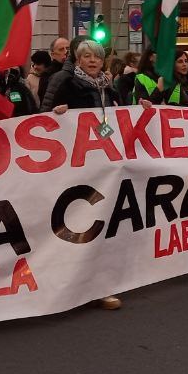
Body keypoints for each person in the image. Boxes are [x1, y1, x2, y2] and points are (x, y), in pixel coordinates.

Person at [50, 41, 123, 310]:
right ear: (78, 61)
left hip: (105, 163)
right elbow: (42, 120)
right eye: (87, 56)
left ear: (103, 62)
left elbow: (120, 118)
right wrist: (56, 115)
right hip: (77, 165)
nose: (92, 60)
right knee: (79, 222)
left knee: (102, 223)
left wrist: (142, 110)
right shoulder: (66, 83)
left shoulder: (109, 87)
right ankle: (71, 282)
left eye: (97, 57)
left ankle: (101, 284)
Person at [36, 37, 71, 104]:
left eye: (68, 49)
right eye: (61, 49)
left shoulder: (75, 69)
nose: (66, 52)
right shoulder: (48, 74)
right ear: (53, 55)